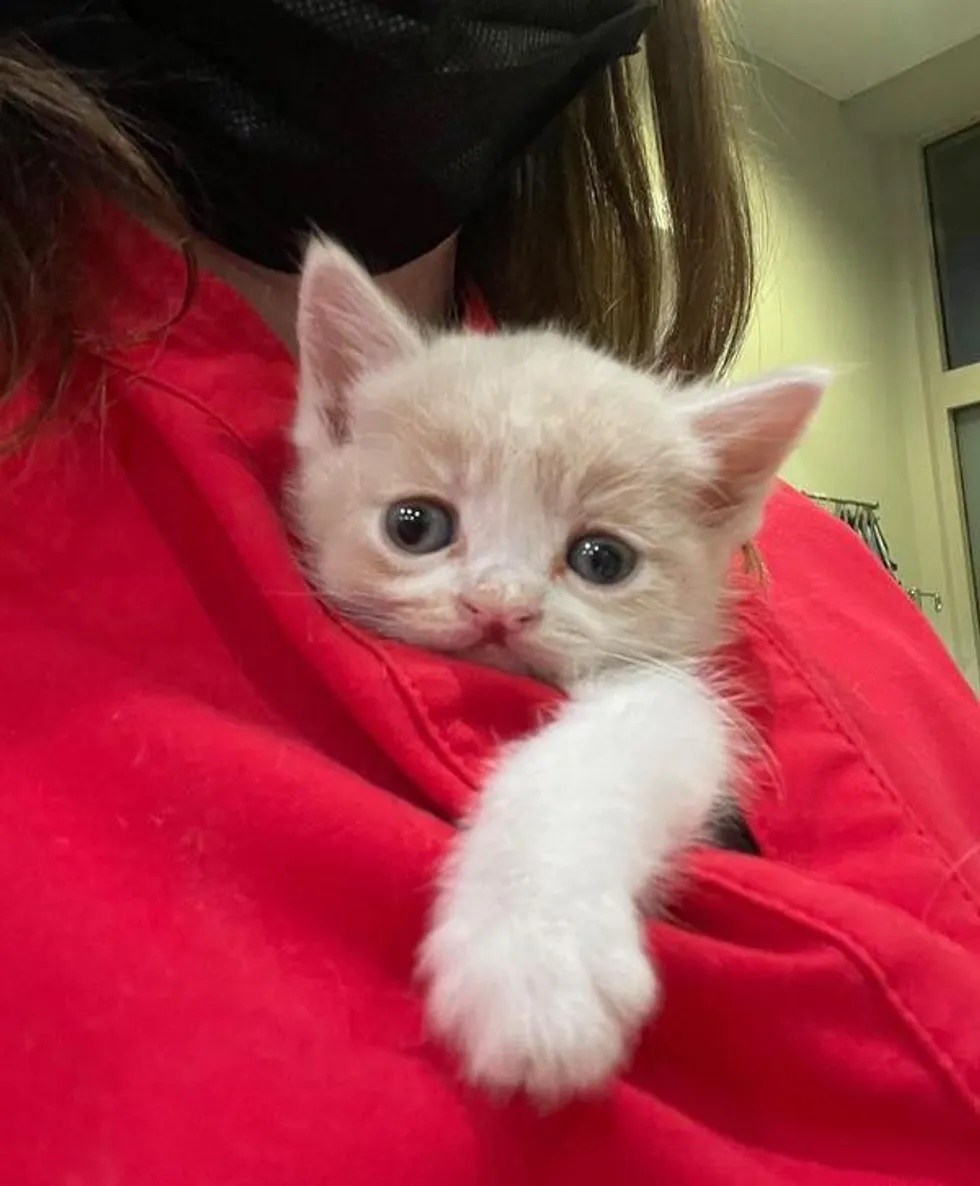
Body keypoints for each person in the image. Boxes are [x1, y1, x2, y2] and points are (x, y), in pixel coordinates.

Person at [1, 3, 978, 1183]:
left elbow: (661, 719)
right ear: (334, 416)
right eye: (420, 528)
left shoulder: (824, 582)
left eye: (599, 559)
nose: (501, 602)